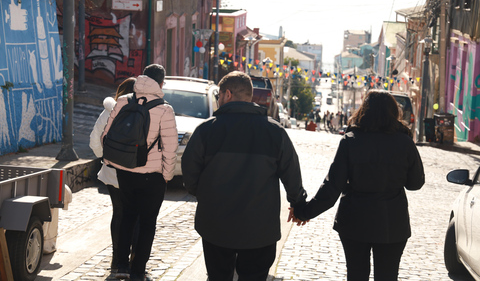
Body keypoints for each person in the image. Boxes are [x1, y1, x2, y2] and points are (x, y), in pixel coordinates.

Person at [181, 71, 307, 281]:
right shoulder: (275, 132)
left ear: (227, 94)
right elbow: (292, 173)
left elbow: (190, 172)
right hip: (260, 227)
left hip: (216, 223)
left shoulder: (206, 130)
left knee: (218, 277)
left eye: (218, 96)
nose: (218, 100)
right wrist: (298, 204)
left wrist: (203, 195)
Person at [290, 90, 425, 281]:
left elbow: (332, 187)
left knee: (356, 274)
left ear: (364, 111)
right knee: (387, 276)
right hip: (392, 223)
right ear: (394, 112)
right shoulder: (405, 142)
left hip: (355, 222)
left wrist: (304, 212)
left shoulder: (351, 141)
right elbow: (415, 183)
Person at [102, 64, 178, 281]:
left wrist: (112, 161)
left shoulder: (124, 101)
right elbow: (171, 148)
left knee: (127, 217)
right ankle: (138, 271)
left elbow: (107, 135)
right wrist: (167, 175)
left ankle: (122, 267)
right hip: (152, 176)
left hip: (125, 171)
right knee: (147, 223)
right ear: (161, 83)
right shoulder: (165, 109)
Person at [89, 77, 136, 273]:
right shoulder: (144, 112)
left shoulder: (108, 111)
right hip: (136, 173)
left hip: (112, 173)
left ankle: (117, 261)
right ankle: (135, 261)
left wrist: (106, 158)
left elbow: (93, 141)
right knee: (136, 216)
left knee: (118, 214)